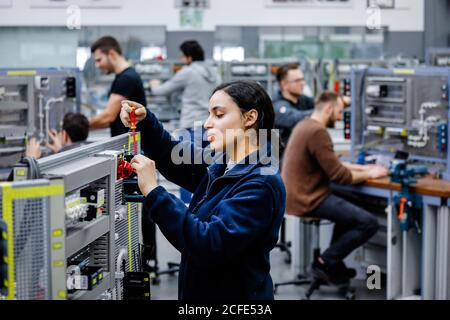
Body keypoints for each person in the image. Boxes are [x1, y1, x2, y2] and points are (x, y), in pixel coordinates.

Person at [120, 80, 285, 300]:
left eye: (218, 115)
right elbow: (177, 159)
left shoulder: (260, 183)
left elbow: (208, 244)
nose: (207, 123)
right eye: (209, 114)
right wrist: (146, 123)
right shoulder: (227, 164)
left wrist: (154, 191)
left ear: (249, 118)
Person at [282, 91, 388, 285]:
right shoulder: (317, 132)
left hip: (297, 194)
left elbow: (332, 162)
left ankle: (334, 265)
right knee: (368, 223)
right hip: (307, 198)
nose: (340, 118)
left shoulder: (305, 125)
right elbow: (340, 175)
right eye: (339, 112)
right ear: (329, 109)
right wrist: (370, 174)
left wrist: (363, 167)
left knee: (351, 207)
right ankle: (324, 262)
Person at [149, 40, 221, 202]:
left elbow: (162, 91)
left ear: (188, 57)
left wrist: (154, 85)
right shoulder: (215, 73)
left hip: (191, 125)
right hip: (210, 125)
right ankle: (205, 205)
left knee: (187, 168)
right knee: (208, 169)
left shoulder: (188, 72)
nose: (181, 59)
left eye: (182, 56)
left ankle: (190, 208)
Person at [89, 36, 146, 137]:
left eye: (99, 60)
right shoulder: (124, 76)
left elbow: (108, 117)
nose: (97, 65)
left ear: (111, 54)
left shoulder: (126, 78)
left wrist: (79, 127)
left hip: (129, 145)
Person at [273, 63, 315, 152]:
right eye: (297, 80)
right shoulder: (277, 106)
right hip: (281, 160)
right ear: (284, 84)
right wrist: (321, 112)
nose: (302, 83)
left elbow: (320, 104)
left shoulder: (304, 100)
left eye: (303, 79)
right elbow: (293, 118)